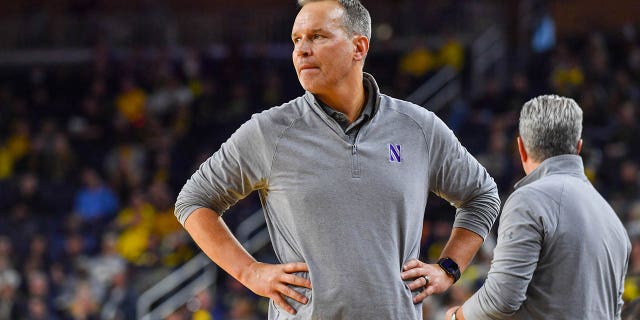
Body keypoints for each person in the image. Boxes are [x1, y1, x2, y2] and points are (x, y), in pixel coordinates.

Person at [175, 0, 500, 318]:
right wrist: (249, 272)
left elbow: (481, 194)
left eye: (317, 36)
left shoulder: (418, 127)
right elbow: (194, 201)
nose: (302, 49)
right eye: (296, 40)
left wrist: (448, 268)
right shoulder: (269, 131)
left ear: (359, 47)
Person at [445, 95, 631, 320]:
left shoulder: (529, 199)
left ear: (521, 148)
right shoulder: (614, 223)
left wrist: (457, 316)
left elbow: (500, 300)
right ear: (578, 147)